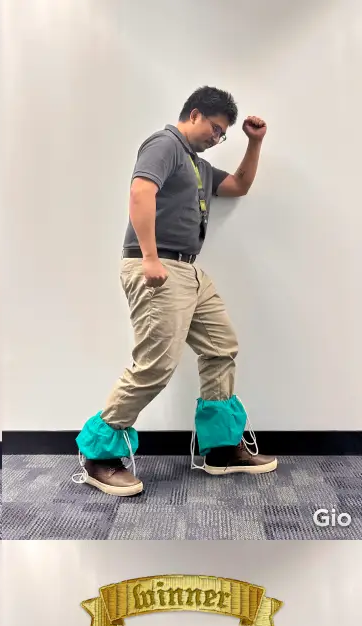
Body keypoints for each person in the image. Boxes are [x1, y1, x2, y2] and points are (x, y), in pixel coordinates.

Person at [73, 87, 277, 498]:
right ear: (195, 114)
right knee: (155, 365)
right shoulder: (164, 144)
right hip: (158, 266)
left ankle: (221, 449)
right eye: (215, 129)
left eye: (223, 134)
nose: (217, 138)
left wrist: (254, 143)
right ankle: (98, 457)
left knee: (221, 347)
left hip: (189, 271)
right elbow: (140, 191)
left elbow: (239, 185)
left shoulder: (198, 165)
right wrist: (150, 257)